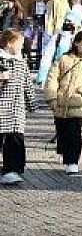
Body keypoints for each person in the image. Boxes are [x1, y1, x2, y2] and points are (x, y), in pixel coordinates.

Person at [44, 31, 82, 174]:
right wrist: (51, 97)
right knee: (62, 130)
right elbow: (52, 78)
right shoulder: (63, 59)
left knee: (74, 133)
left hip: (79, 102)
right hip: (61, 101)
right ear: (76, 43)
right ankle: (65, 154)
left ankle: (72, 161)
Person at [0, 29, 37, 184]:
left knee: (16, 140)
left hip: (17, 110)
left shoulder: (21, 62)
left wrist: (31, 103)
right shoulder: (1, 61)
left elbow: (27, 83)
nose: (22, 47)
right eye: (19, 43)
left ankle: (12, 170)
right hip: (2, 108)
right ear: (9, 43)